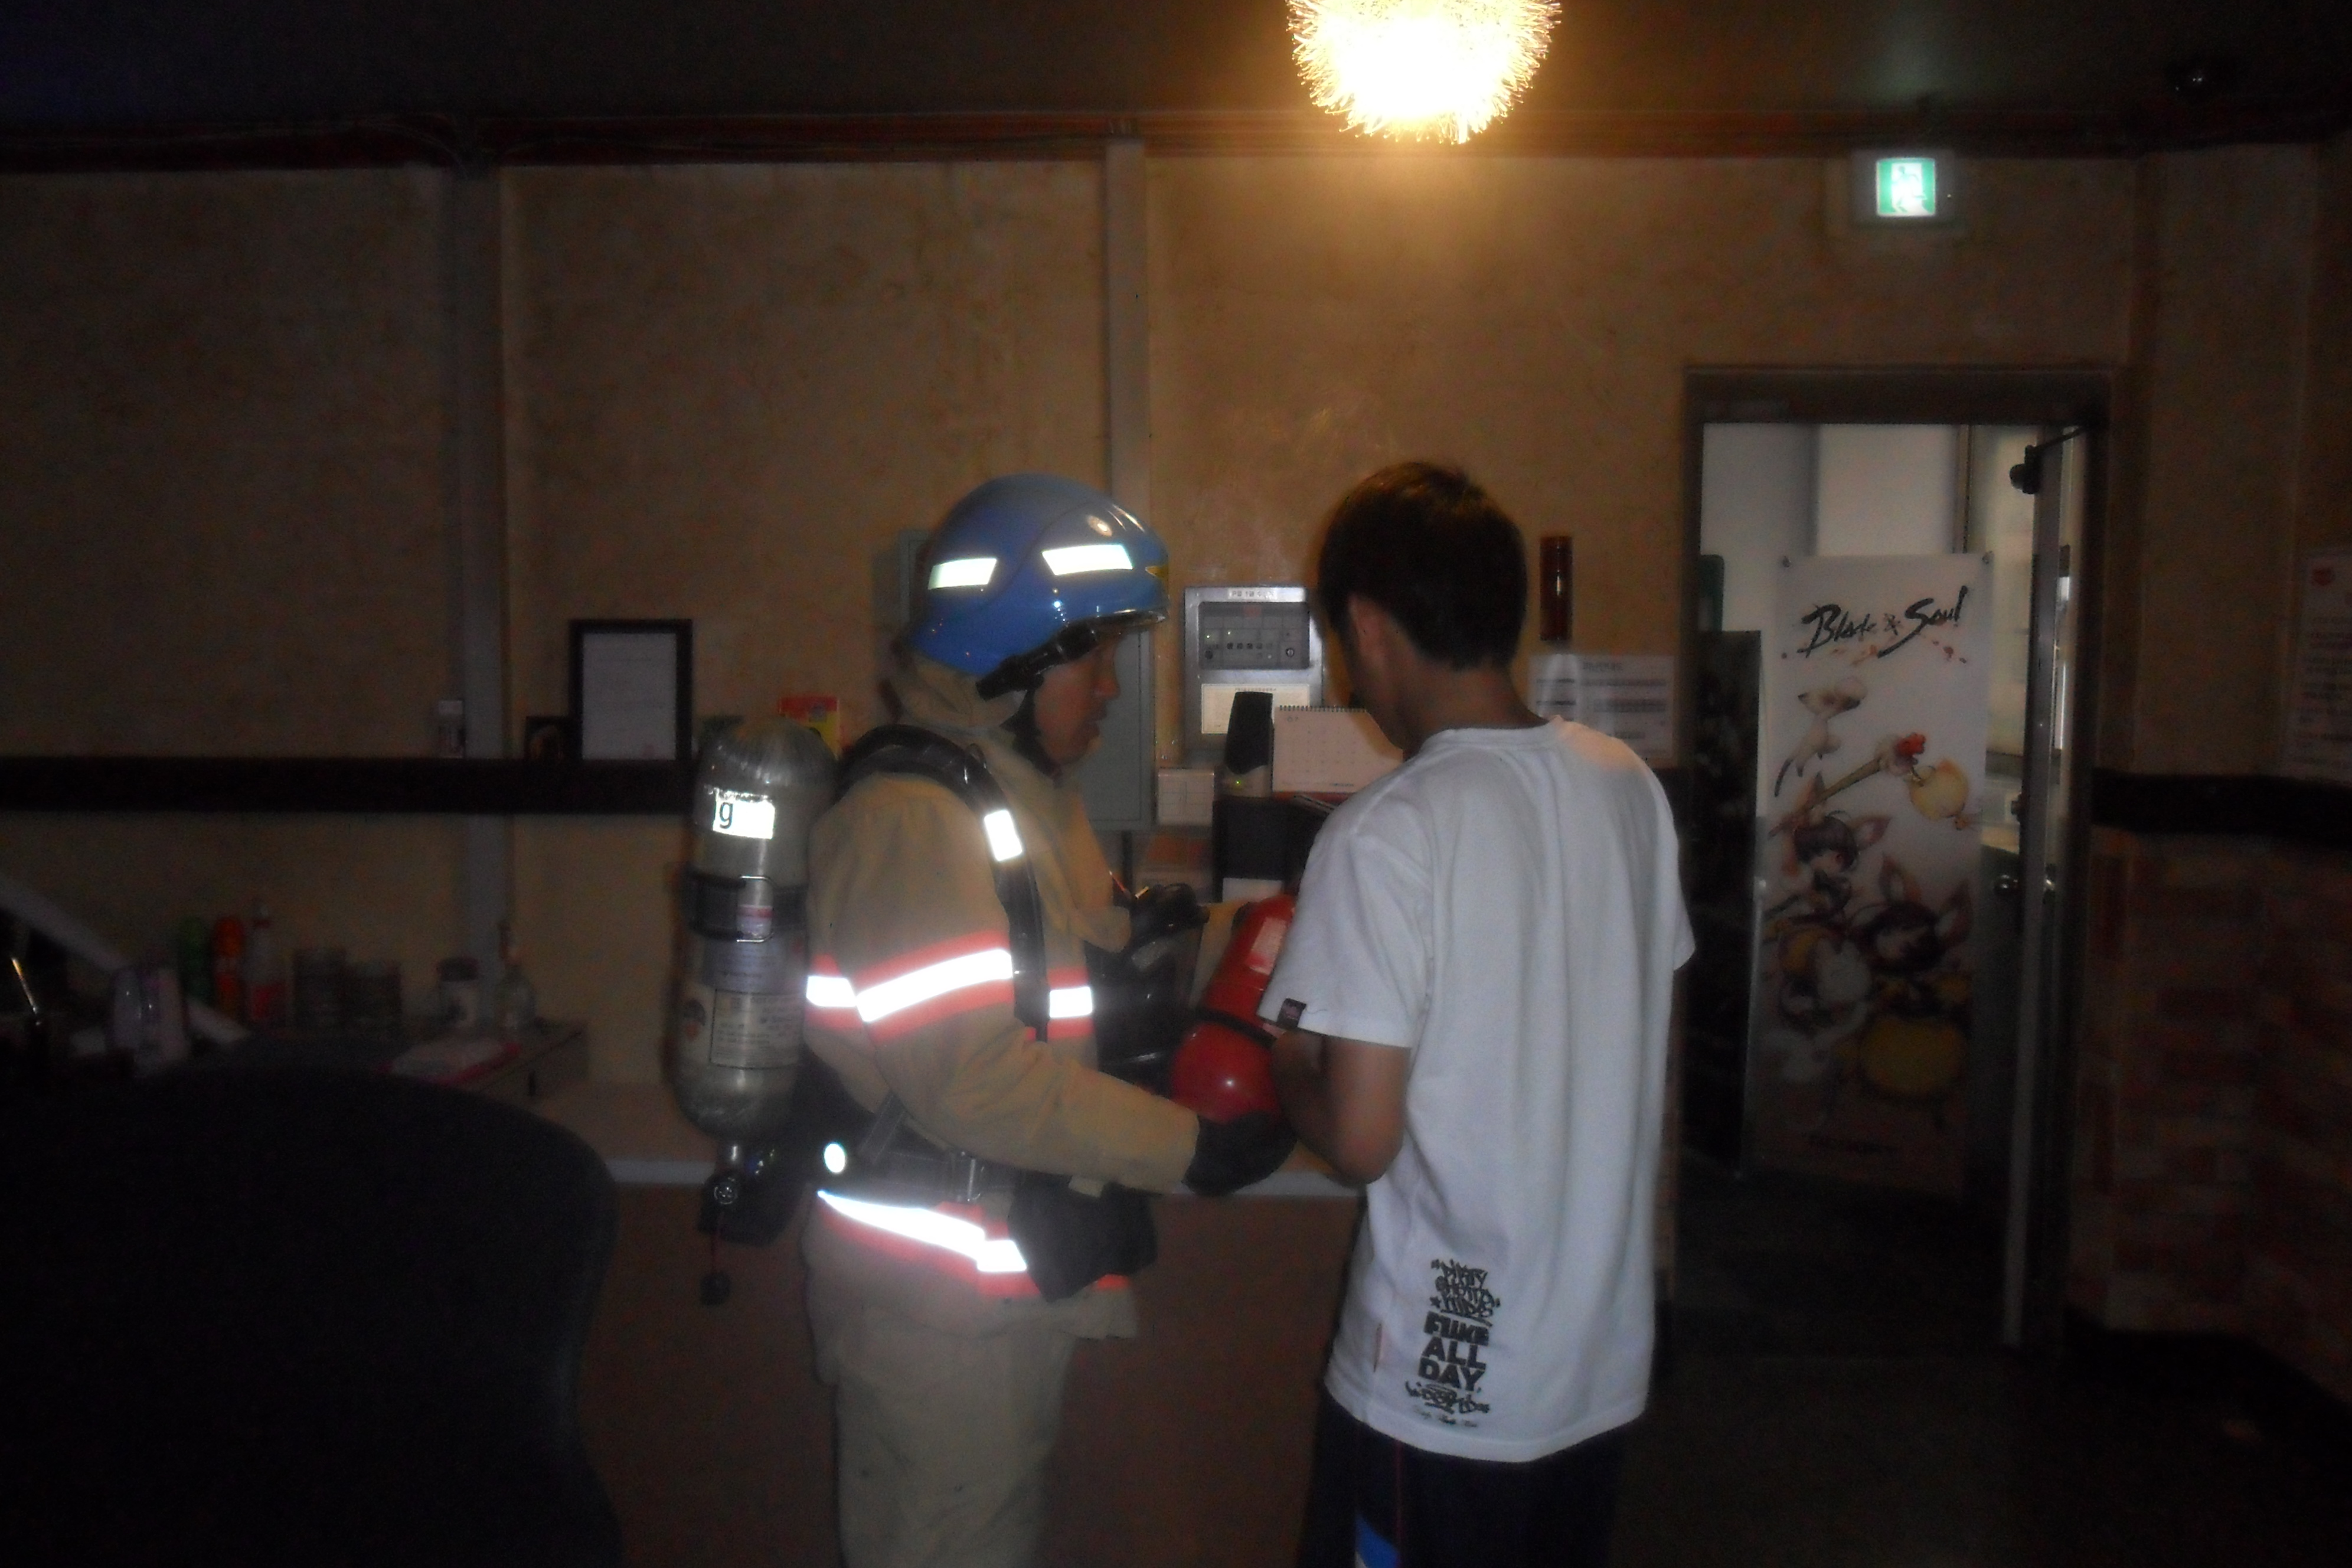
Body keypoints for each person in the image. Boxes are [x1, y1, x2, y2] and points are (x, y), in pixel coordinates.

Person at [798, 473, 1293, 1568]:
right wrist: (1189, 1148)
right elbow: (974, 1080)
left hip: (992, 1297)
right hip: (934, 1320)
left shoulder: (1016, 799)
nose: (1111, 687)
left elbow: (1093, 966)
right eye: (1093, 657)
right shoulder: (911, 824)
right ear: (1013, 657)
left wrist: (1260, 938)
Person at [1263, 462, 1693, 1568]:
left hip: (1438, 1390)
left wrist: (1284, 1054)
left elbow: (1360, 1138)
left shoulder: (1385, 831)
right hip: (1595, 1370)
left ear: (1370, 626)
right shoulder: (1628, 787)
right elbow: (1646, 1043)